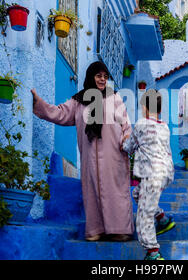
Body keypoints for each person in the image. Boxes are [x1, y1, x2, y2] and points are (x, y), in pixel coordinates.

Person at [31, 61, 134, 241]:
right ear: (90, 77)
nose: (102, 79)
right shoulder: (79, 101)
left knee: (114, 190)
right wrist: (39, 104)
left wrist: (127, 137)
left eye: (105, 76)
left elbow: (125, 123)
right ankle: (96, 230)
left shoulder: (114, 97)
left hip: (113, 153)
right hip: (90, 155)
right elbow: (60, 113)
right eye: (98, 76)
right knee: (92, 189)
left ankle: (120, 230)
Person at [122, 89, 176, 260]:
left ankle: (153, 252)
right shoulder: (165, 127)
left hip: (152, 173)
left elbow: (128, 147)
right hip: (166, 172)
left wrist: (123, 140)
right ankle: (162, 218)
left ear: (144, 107)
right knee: (138, 194)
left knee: (144, 214)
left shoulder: (140, 124)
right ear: (159, 110)